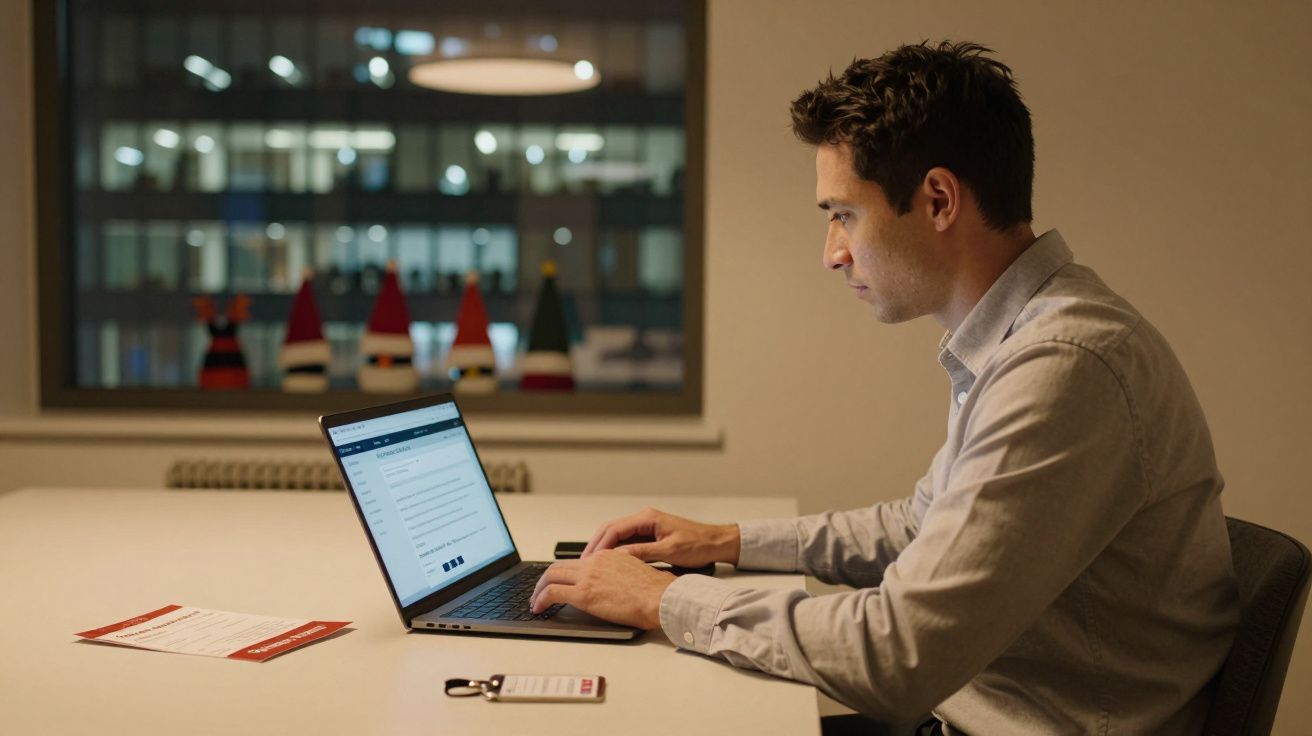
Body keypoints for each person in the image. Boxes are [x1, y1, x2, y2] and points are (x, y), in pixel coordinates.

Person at [529, 41, 1239, 735]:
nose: (833, 254)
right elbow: (919, 525)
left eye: (844, 215)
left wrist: (667, 601)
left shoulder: (1064, 365)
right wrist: (725, 540)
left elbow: (894, 654)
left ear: (937, 200)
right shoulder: (1021, 339)